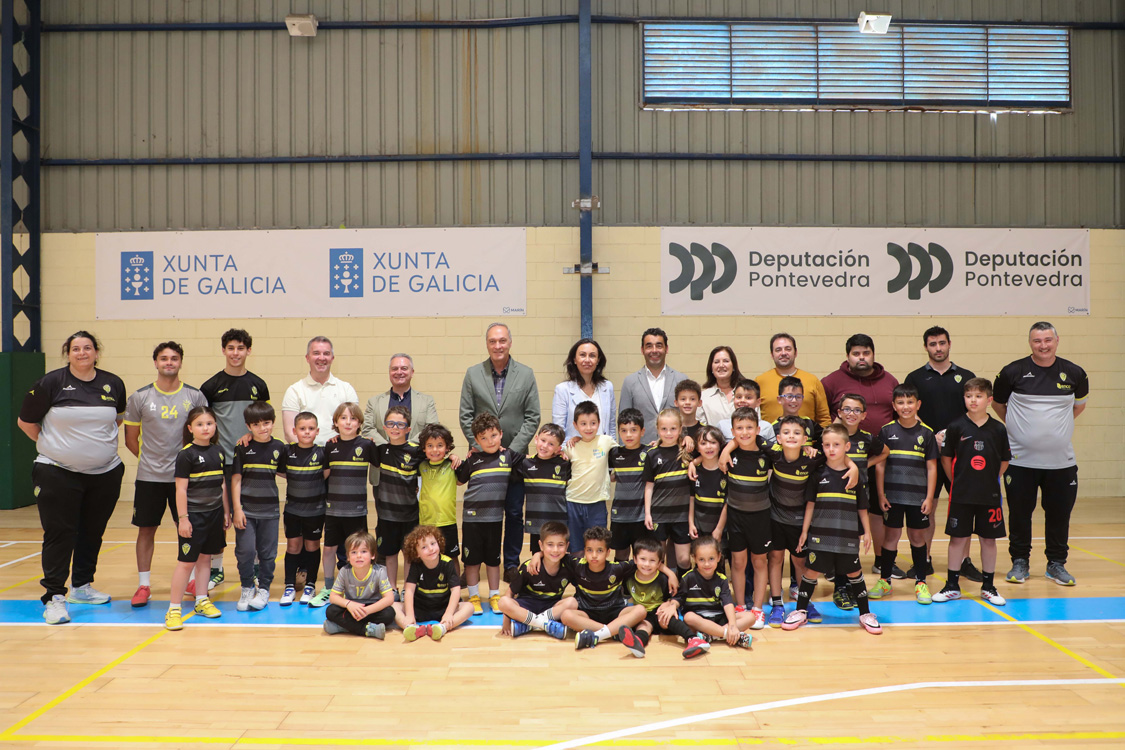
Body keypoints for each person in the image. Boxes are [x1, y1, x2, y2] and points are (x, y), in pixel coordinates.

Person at [18, 331, 127, 625]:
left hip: (104, 473)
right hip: (56, 472)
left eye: (87, 348)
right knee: (60, 533)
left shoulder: (113, 383)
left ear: (96, 352)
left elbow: (116, 420)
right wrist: (54, 447)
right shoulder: (50, 383)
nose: (82, 353)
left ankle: (82, 586)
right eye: (76, 348)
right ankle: (54, 597)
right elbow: (25, 422)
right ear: (68, 353)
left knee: (92, 531)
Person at [993, 322, 1089, 586]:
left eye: (1048, 340)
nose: (1043, 345)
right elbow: (998, 405)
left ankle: (1056, 564)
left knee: (1059, 515)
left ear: (1057, 340)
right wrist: (1019, 429)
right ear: (1030, 343)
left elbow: (1078, 407)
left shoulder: (1075, 373)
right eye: (1037, 341)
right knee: (1020, 514)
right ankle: (1019, 562)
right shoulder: (1012, 372)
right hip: (1020, 461)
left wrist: (1054, 431)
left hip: (1061, 463)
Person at [123, 341, 208, 607]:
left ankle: (192, 580)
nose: (169, 362)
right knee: (146, 529)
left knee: (188, 529)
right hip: (150, 477)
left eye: (174, 358)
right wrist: (151, 460)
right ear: (156, 363)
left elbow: (204, 433)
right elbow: (131, 439)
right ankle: (144, 585)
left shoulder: (195, 396)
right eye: (164, 358)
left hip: (186, 479)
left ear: (180, 362)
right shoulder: (140, 397)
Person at [458, 323, 541, 580]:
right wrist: (481, 445)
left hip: (514, 460)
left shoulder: (525, 374)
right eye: (493, 341)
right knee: (480, 513)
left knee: (514, 513)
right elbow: (465, 415)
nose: (498, 346)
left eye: (502, 340)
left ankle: (511, 565)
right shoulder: (473, 374)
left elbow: (533, 417)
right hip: (482, 460)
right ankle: (472, 565)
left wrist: (511, 452)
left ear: (510, 343)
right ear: (487, 344)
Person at [783, 424, 881, 635]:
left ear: (847, 446)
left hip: (847, 535)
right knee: (811, 571)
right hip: (820, 535)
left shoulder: (854, 476)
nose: (831, 449)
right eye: (827, 445)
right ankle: (801, 611)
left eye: (836, 444)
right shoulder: (817, 473)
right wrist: (804, 531)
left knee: (854, 572)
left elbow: (862, 507)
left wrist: (867, 532)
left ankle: (865, 613)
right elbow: (810, 505)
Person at [904, 326, 981, 581]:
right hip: (928, 454)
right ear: (925, 347)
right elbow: (909, 412)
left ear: (949, 344)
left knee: (963, 508)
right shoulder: (915, 378)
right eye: (933, 344)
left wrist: (952, 434)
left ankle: (964, 561)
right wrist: (931, 436)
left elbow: (973, 411)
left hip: (961, 453)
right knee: (927, 508)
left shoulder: (966, 376)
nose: (938, 348)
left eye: (942, 343)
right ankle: (924, 560)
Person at [199, 328, 270, 593]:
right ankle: (216, 569)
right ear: (223, 350)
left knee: (250, 516)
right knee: (220, 517)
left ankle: (254, 568)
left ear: (248, 351)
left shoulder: (258, 384)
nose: (235, 353)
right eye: (231, 348)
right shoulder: (210, 386)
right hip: (220, 462)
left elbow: (263, 420)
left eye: (241, 348)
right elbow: (205, 422)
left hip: (251, 462)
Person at [934, 378, 1011, 606]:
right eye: (968, 396)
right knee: (958, 539)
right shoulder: (956, 427)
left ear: (989, 400)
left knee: (988, 540)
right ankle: (952, 586)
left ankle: (988, 587)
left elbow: (1004, 461)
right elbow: (946, 459)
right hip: (961, 495)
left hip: (989, 495)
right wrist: (958, 481)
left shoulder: (998, 429)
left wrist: (990, 479)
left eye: (978, 396)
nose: (973, 400)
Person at [870, 384, 939, 605]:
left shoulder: (926, 433)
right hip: (892, 496)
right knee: (891, 536)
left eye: (910, 402)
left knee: (917, 537)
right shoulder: (886, 431)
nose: (905, 406)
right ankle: (885, 581)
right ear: (894, 405)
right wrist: (881, 494)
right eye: (900, 402)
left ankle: (921, 582)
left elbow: (932, 468)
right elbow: (880, 465)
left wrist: (929, 497)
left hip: (917, 498)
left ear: (918, 404)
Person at [307, 402, 377, 609]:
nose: (348, 422)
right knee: (329, 548)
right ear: (336, 422)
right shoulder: (330, 446)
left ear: (359, 423)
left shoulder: (367, 445)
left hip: (357, 510)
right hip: (334, 510)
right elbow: (324, 474)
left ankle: (357, 587)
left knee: (359, 550)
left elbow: (383, 463)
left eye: (353, 418)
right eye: (343, 418)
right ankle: (329, 588)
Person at [164, 406, 228, 631]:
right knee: (186, 563)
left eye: (209, 423)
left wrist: (226, 512)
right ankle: (174, 609)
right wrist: (183, 518)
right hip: (194, 517)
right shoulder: (186, 454)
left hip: (214, 515)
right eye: (200, 424)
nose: (205, 428)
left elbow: (222, 485)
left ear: (215, 426)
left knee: (205, 559)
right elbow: (180, 489)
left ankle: (201, 600)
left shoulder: (219, 451)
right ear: (190, 428)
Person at [545, 526, 653, 657]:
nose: (594, 555)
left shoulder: (617, 568)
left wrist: (669, 573)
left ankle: (597, 636)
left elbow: (642, 563)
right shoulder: (577, 565)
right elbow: (556, 555)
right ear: (584, 550)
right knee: (566, 615)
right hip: (587, 614)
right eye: (589, 550)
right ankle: (612, 632)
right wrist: (538, 555)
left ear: (608, 552)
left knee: (641, 610)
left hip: (615, 612)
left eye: (600, 550)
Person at [456, 412, 521, 616]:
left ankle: (494, 595)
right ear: (476, 440)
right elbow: (458, 480)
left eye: (493, 435)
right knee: (471, 562)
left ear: (501, 434)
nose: (490, 441)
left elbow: (532, 460)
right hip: (472, 519)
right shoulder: (473, 459)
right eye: (483, 438)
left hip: (494, 519)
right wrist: (454, 457)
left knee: (493, 561)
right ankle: (474, 597)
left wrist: (559, 453)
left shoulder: (508, 456)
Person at [231, 401, 287, 611]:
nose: (262, 428)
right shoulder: (242, 447)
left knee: (268, 553)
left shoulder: (279, 447)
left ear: (273, 422)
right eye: (256, 424)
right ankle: (247, 587)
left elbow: (285, 471)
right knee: (245, 551)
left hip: (270, 510)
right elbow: (236, 480)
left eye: (266, 423)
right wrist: (237, 509)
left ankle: (263, 589)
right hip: (246, 509)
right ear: (248, 426)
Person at [718, 407, 771, 628]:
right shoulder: (729, 454)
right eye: (739, 428)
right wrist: (726, 449)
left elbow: (789, 450)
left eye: (749, 427)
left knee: (759, 562)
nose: (745, 432)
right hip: (736, 516)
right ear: (732, 431)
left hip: (761, 517)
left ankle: (757, 609)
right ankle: (740, 606)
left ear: (758, 429)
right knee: (738, 562)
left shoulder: (767, 453)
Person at [833, 394, 887, 609]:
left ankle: (851, 586)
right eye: (846, 409)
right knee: (838, 543)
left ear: (864, 415)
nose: (851, 414)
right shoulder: (832, 435)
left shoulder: (867, 438)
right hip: (835, 498)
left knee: (852, 545)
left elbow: (885, 452)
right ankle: (840, 587)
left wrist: (865, 464)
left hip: (858, 498)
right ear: (839, 412)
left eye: (857, 410)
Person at [362, 353, 439, 490]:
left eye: (404, 368)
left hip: (416, 470)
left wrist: (406, 447)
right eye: (394, 369)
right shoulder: (374, 402)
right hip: (383, 470)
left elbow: (431, 429)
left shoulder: (427, 401)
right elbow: (368, 429)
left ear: (412, 372)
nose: (399, 372)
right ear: (389, 372)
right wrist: (388, 449)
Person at [371, 405, 425, 599]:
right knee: (390, 554)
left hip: (410, 514)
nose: (395, 428)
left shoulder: (416, 452)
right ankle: (392, 588)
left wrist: (452, 455)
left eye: (400, 424)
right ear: (385, 427)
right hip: (387, 514)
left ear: (408, 429)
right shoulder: (379, 450)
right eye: (391, 424)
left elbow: (436, 456)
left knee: (409, 554)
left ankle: (407, 588)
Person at [666, 536, 754, 654]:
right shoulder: (688, 578)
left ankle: (712, 636)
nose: (707, 564)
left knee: (750, 617)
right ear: (694, 558)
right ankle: (728, 635)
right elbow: (679, 598)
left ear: (718, 557)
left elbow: (728, 603)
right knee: (688, 617)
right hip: (699, 620)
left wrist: (733, 625)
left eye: (711, 559)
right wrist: (672, 606)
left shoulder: (722, 579)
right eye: (701, 559)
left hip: (719, 618)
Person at [279, 412, 327, 606]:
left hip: (315, 511)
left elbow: (326, 474)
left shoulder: (323, 453)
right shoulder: (287, 451)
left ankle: (310, 585)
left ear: (317, 431)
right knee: (292, 547)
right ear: (294, 431)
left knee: (312, 546)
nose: (307, 432)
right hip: (293, 510)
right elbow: (281, 471)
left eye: (311, 428)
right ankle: (289, 586)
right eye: (302, 428)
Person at [394, 526, 474, 641]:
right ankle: (410, 627)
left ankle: (443, 627)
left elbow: (456, 590)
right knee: (393, 606)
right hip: (420, 609)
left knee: (469, 607)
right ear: (416, 553)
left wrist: (449, 613)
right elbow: (409, 590)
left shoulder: (447, 563)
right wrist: (410, 615)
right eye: (424, 547)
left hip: (443, 608)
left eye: (433, 543)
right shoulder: (416, 565)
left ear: (438, 543)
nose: (431, 549)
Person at [498, 521, 575, 639]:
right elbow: (510, 593)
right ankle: (545, 625)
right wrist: (506, 621)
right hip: (526, 607)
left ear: (567, 546)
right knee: (503, 602)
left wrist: (538, 554)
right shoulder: (529, 567)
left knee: (572, 602)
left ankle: (528, 625)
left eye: (560, 545)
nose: (555, 550)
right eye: (550, 544)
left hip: (551, 608)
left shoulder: (569, 566)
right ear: (541, 545)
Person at [624, 537, 699, 657]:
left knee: (666, 617)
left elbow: (676, 596)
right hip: (643, 615)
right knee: (643, 627)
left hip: (660, 611)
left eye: (652, 560)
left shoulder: (663, 579)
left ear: (659, 563)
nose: (647, 564)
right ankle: (637, 643)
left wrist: (668, 603)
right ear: (635, 559)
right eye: (643, 559)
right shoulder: (629, 577)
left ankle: (693, 639)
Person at [642, 408, 693, 573]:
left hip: (682, 516)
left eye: (673, 428)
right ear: (657, 429)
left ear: (680, 429)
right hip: (659, 515)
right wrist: (648, 514)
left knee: (684, 560)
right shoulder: (652, 454)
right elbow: (649, 486)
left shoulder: (687, 451)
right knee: (658, 558)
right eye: (664, 429)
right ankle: (664, 587)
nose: (668, 433)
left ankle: (683, 588)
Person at [282, 336, 358, 445]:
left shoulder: (347, 389)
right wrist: (311, 452)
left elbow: (354, 427)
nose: (321, 358)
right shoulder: (294, 391)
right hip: (306, 454)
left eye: (326, 354)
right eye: (316, 353)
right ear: (307, 358)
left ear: (332, 358)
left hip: (339, 452)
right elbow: (290, 433)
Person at [618, 328, 687, 444]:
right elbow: (623, 422)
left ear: (666, 349)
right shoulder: (630, 382)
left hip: (674, 450)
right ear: (642, 350)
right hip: (641, 450)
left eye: (659, 346)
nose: (654, 350)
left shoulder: (681, 380)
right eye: (649, 346)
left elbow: (687, 419)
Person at [821, 333, 899, 434]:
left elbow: (899, 415)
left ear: (873, 355)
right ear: (847, 356)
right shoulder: (831, 382)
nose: (861, 357)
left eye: (866, 353)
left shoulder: (890, 381)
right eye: (856, 354)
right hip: (846, 442)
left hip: (885, 442)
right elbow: (822, 417)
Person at [323, 531, 395, 639]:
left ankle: (343, 627)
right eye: (354, 552)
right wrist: (349, 604)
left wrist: (367, 611)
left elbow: (389, 598)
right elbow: (333, 597)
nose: (359, 556)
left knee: (389, 613)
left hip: (371, 609)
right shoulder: (344, 571)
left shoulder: (379, 571)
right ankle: (367, 629)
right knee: (331, 610)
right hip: (352, 609)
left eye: (364, 551)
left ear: (373, 555)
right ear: (348, 557)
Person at [563, 402, 617, 549]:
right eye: (583, 424)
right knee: (575, 548)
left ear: (599, 423)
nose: (588, 428)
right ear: (575, 425)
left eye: (593, 423)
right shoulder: (570, 447)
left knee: (597, 545)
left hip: (597, 503)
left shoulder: (606, 441)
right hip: (573, 502)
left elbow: (626, 455)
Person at [517, 424, 571, 554]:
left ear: (558, 448)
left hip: (558, 522)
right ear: (536, 439)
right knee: (537, 557)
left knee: (558, 555)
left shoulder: (564, 464)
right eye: (543, 440)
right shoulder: (526, 464)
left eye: (551, 444)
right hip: (536, 523)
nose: (545, 446)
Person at [417, 423, 462, 575]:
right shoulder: (421, 466)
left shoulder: (452, 466)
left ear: (447, 447)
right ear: (424, 448)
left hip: (447, 522)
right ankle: (430, 585)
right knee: (427, 556)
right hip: (426, 523)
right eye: (430, 445)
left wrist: (455, 457)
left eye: (440, 445)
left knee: (451, 557)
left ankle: (455, 585)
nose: (435, 450)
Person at [758, 334, 831, 426]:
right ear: (772, 355)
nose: (783, 353)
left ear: (795, 353)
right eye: (778, 350)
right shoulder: (760, 381)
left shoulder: (812, 381)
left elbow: (824, 419)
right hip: (772, 435)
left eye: (788, 349)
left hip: (807, 435)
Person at [553, 338, 616, 441]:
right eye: (582, 355)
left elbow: (611, 427)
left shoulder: (607, 387)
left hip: (603, 449)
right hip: (574, 450)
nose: (587, 360)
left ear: (598, 360)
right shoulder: (563, 390)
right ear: (574, 359)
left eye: (592, 356)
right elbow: (558, 432)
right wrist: (569, 449)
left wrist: (613, 449)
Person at [608, 409, 649, 561]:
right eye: (624, 431)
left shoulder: (649, 452)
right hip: (619, 516)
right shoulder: (614, 453)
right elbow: (608, 476)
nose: (629, 435)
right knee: (621, 556)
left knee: (642, 555)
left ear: (642, 431)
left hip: (641, 516)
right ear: (619, 432)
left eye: (633, 430)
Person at [688, 426, 728, 542]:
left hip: (721, 530)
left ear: (720, 445)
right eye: (703, 443)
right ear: (697, 448)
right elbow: (691, 499)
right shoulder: (694, 472)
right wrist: (691, 524)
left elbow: (728, 502)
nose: (708, 447)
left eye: (713, 442)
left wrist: (719, 529)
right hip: (699, 529)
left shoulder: (727, 471)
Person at [716, 379, 775, 444]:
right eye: (739, 397)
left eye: (748, 398)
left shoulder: (766, 427)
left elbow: (773, 449)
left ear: (758, 402)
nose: (742, 400)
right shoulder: (722, 425)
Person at [698, 346, 744, 426]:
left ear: (733, 366)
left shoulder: (747, 394)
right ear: (711, 368)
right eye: (716, 362)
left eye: (726, 361)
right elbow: (702, 429)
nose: (721, 365)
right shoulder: (703, 397)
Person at [773, 376, 823, 450]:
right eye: (789, 396)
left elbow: (826, 437)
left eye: (798, 397)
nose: (794, 400)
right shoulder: (773, 427)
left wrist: (815, 450)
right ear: (779, 399)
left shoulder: (809, 422)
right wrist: (801, 449)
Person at [674, 379, 705, 448]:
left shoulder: (705, 430)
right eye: (683, 399)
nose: (687, 402)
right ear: (676, 403)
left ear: (699, 403)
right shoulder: (670, 430)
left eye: (692, 399)